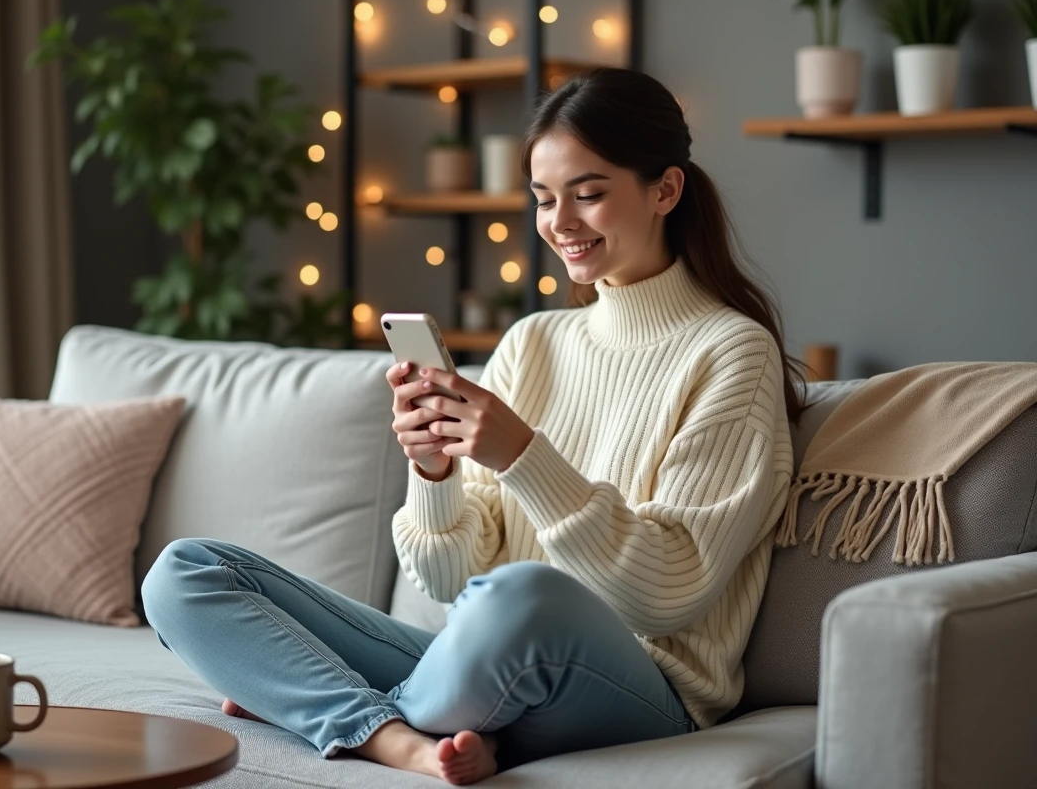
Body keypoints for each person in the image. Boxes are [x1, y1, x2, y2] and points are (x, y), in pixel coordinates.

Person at [141, 66, 809, 786]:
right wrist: (434, 472)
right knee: (187, 573)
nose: (561, 224)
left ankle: (319, 708)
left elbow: (668, 592)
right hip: (488, 656)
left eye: (588, 194)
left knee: (524, 595)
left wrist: (523, 456)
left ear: (665, 190)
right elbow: (447, 578)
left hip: (643, 687)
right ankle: (401, 742)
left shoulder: (731, 351)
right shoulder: (533, 342)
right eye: (545, 199)